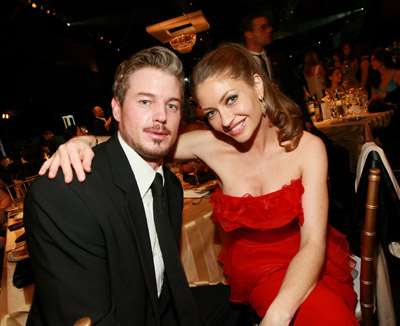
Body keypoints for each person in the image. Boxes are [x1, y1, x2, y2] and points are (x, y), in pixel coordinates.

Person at [40, 43, 358, 325]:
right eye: (212, 112)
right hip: (259, 272)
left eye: (231, 99)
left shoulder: (308, 147)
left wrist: (278, 314)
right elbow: (146, 142)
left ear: (257, 86)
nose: (226, 120)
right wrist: (88, 141)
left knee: (331, 313)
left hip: (312, 261)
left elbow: (313, 244)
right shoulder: (211, 144)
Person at [24, 46, 240, 326]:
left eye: (171, 105)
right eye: (145, 102)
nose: (161, 116)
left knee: (237, 303)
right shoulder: (62, 194)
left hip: (154, 307)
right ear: (116, 108)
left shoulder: (170, 186)